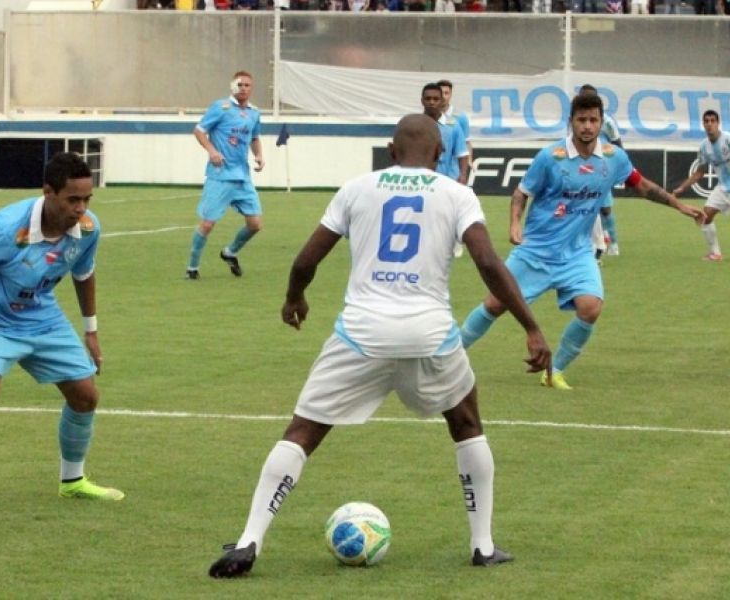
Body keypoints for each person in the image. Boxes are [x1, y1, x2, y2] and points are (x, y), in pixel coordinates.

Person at [207, 114, 551, 578]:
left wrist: (294, 298)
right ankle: (483, 545)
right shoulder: (457, 194)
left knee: (302, 432)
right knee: (466, 423)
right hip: (429, 335)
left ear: (391, 151)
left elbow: (307, 258)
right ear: (440, 154)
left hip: (361, 333)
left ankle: (250, 540)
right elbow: (488, 262)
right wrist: (531, 327)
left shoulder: (357, 188)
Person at [459, 93, 704, 391]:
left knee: (590, 307)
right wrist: (514, 224)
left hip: (577, 254)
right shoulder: (550, 157)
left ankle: (555, 372)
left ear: (601, 123)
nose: (587, 126)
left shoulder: (614, 158)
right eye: (581, 120)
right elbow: (521, 193)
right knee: (495, 304)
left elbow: (641, 186)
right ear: (571, 122)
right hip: (536, 251)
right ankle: (449, 356)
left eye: (593, 120)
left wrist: (678, 205)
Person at [0, 152, 124, 522]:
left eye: (87, 199)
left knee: (86, 396)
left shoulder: (87, 229)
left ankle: (73, 481)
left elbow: (84, 274)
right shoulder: (7, 228)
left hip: (42, 318)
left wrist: (91, 332)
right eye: (73, 199)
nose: (81, 209)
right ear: (48, 192)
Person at [186, 71, 265, 280]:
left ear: (251, 88)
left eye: (247, 85)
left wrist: (259, 155)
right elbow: (199, 130)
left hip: (242, 178)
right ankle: (192, 267)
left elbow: (254, 137)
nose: (244, 88)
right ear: (233, 86)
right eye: (240, 84)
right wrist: (212, 151)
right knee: (207, 224)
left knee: (255, 224)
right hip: (220, 176)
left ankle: (230, 252)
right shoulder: (221, 107)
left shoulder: (254, 113)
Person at [673, 109, 730, 262]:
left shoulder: (727, 139)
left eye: (713, 121)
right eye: (706, 121)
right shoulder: (704, 147)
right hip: (723, 188)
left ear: (718, 123)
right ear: (703, 124)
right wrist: (682, 188)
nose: (709, 124)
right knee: (705, 215)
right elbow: (699, 172)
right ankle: (715, 253)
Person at [580, 84, 622, 257]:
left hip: (603, 169)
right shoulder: (576, 120)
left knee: (605, 208)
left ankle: (613, 242)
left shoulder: (607, 122)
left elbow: (617, 143)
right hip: (582, 168)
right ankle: (592, 245)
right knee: (584, 206)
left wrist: (618, 166)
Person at [438, 79, 474, 258]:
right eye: (441, 93)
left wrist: (468, 163)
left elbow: (466, 142)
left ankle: (457, 239)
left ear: (451, 95)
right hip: (436, 170)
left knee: (455, 208)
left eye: (447, 93)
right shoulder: (430, 117)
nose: (444, 96)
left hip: (453, 171)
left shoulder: (460, 118)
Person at [421, 83, 468, 185]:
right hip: (421, 181)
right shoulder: (415, 124)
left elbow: (462, 154)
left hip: (447, 180)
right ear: (422, 100)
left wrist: (463, 175)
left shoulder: (453, 126)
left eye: (435, 99)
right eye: (428, 99)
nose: (431, 102)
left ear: (441, 101)